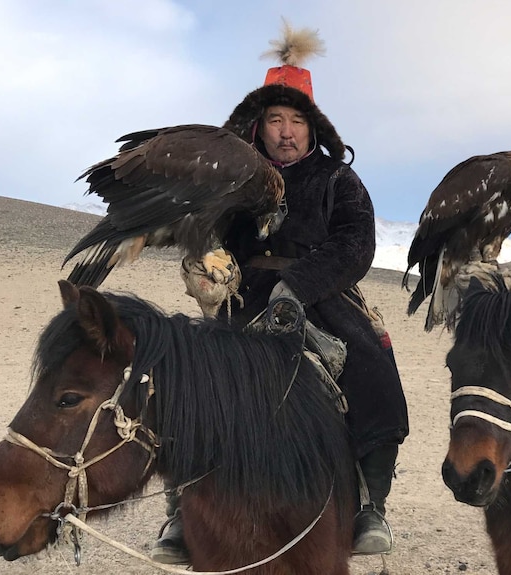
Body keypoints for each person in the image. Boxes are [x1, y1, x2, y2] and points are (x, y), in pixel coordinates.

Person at [150, 24, 409, 563]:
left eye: (296, 120)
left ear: (312, 126)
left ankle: (370, 506)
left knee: (372, 364)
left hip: (323, 293)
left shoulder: (339, 180)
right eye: (275, 120)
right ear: (257, 127)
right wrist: (206, 263)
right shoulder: (232, 178)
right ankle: (181, 508)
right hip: (241, 294)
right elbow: (208, 231)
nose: (286, 132)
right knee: (188, 375)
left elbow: (356, 243)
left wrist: (299, 285)